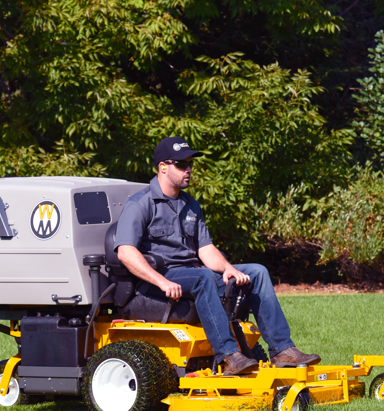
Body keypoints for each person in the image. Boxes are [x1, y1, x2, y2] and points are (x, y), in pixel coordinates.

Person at [113, 136, 321, 375]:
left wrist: (228, 269)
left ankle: (282, 350)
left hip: (194, 275)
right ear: (163, 167)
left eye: (191, 164)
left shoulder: (191, 205)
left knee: (257, 272)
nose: (189, 169)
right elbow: (126, 253)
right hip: (159, 281)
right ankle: (229, 356)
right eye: (182, 165)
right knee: (203, 277)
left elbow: (206, 249)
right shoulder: (140, 204)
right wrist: (162, 282)